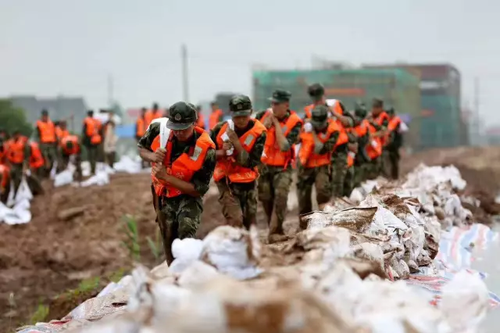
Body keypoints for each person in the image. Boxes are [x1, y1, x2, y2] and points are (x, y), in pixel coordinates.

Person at [137, 102, 216, 264]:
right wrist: (153, 157)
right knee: (168, 238)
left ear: (194, 124)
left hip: (187, 195)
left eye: (184, 128)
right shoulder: (158, 130)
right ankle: (174, 272)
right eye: (176, 128)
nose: (179, 133)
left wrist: (167, 177)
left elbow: (198, 190)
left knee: (186, 230)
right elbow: (142, 149)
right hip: (163, 195)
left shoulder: (206, 149)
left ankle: (189, 271)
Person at [211, 95, 267, 230]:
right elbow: (206, 155)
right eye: (237, 117)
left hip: (248, 179)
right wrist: (221, 152)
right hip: (226, 180)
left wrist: (236, 143)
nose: (241, 120)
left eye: (244, 116)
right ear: (231, 114)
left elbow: (251, 162)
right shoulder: (219, 130)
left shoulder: (259, 132)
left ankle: (250, 249)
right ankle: (233, 248)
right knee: (235, 220)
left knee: (250, 223)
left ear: (251, 112)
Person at [254, 90, 303, 243]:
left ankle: (275, 231)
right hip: (264, 165)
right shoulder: (261, 116)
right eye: (272, 103)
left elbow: (284, 146)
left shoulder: (295, 122)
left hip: (283, 166)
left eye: (277, 104)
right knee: (265, 198)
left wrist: (275, 124)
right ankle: (273, 227)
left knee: (281, 196)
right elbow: (251, 137)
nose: (273, 107)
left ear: (286, 105)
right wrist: (263, 126)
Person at [304, 84, 353, 198]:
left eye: (319, 98)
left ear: (324, 95)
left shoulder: (336, 105)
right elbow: (304, 128)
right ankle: (327, 210)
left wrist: (335, 114)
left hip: (338, 150)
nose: (318, 102)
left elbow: (350, 122)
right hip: (321, 152)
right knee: (324, 186)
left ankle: (338, 207)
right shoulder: (309, 111)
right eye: (315, 100)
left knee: (338, 183)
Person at [297, 105, 340, 228]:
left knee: (322, 192)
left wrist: (313, 133)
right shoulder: (305, 126)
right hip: (305, 165)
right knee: (303, 197)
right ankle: (304, 225)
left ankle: (324, 221)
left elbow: (321, 149)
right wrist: (302, 129)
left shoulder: (333, 130)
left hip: (322, 164)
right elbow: (295, 141)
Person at [5, 130, 31, 196]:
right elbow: (7, 155)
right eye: (15, 135)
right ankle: (16, 194)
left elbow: (26, 155)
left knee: (27, 176)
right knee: (16, 178)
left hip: (22, 162)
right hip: (14, 163)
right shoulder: (9, 144)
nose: (17, 136)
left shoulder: (23, 142)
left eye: (18, 135)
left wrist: (25, 166)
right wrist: (10, 165)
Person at [36, 109, 57, 177]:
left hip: (51, 144)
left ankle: (48, 173)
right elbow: (37, 134)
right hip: (43, 144)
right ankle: (44, 174)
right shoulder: (39, 124)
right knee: (45, 159)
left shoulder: (51, 123)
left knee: (52, 159)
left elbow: (55, 132)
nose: (45, 117)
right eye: (44, 116)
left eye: (46, 116)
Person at [385, 107, 404, 180]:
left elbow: (396, 135)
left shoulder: (396, 122)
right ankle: (392, 176)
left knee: (394, 161)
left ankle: (394, 177)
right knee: (392, 161)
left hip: (394, 145)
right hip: (392, 145)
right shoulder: (393, 122)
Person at [82, 110, 102, 175]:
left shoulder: (86, 121)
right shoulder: (97, 121)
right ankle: (94, 169)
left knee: (91, 156)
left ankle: (92, 170)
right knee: (94, 156)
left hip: (89, 140)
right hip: (97, 140)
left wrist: (84, 140)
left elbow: (84, 132)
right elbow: (100, 131)